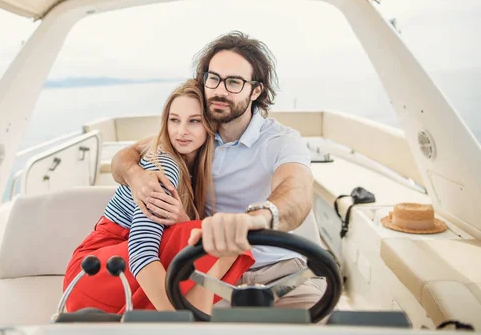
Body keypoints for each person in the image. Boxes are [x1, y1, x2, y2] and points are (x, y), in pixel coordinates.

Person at [111, 31, 324, 309]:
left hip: (282, 272)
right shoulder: (195, 135)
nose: (220, 90)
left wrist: (252, 220)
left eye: (234, 82)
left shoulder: (282, 140)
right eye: (213, 78)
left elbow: (296, 194)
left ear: (256, 90)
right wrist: (137, 177)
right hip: (214, 273)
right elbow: (124, 158)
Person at [63, 79, 255, 315]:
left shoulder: (195, 168)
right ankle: (189, 325)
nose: (181, 131)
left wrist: (185, 220)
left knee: (225, 238)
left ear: (210, 125)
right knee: (217, 238)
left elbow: (179, 232)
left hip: (109, 270)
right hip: (96, 273)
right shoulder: (165, 167)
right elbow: (141, 250)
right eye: (174, 120)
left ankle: (197, 321)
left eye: (193, 121)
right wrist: (173, 321)